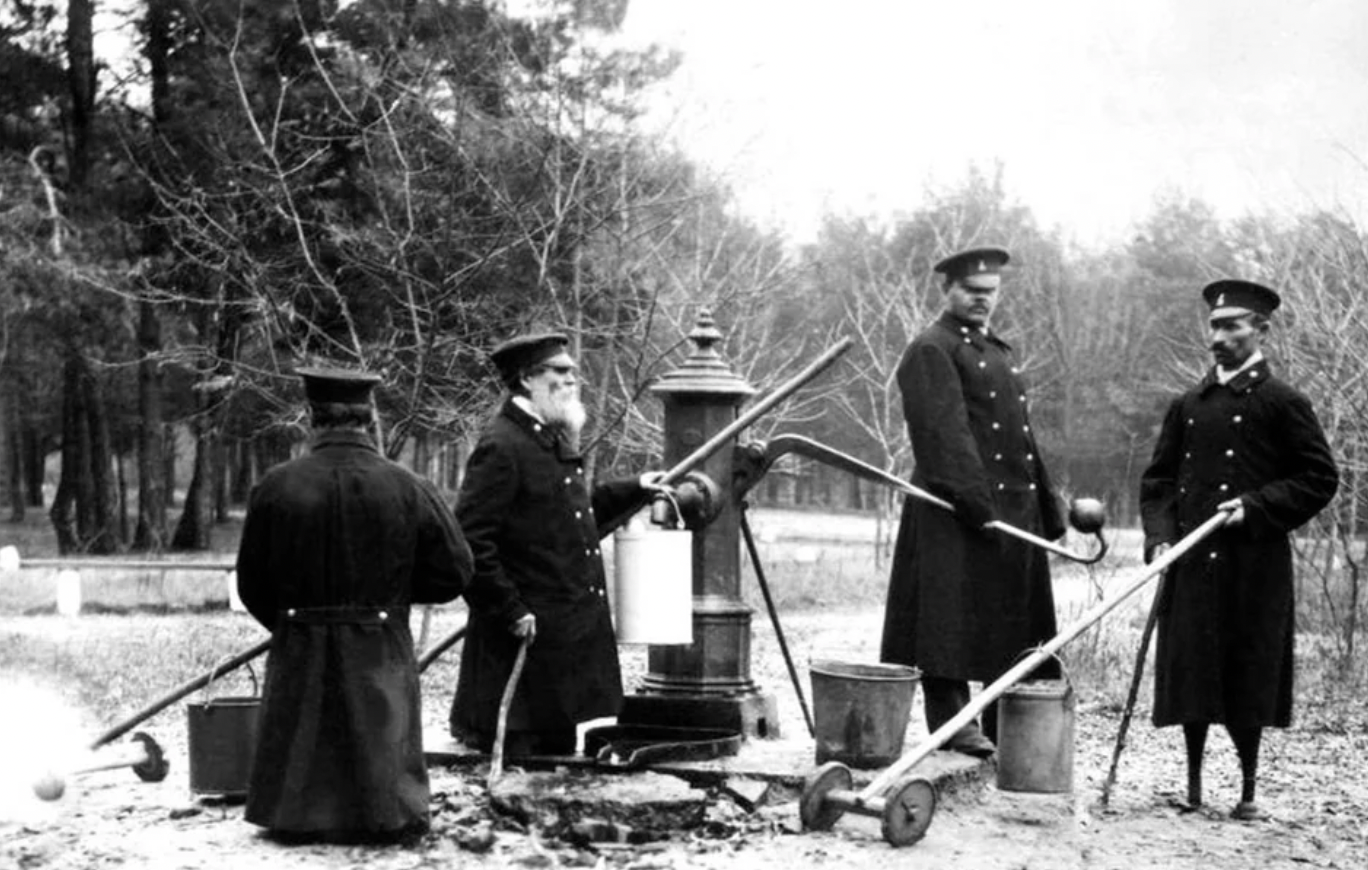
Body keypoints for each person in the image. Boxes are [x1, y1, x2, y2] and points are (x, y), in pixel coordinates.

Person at [236, 367, 473, 843]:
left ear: (311, 417)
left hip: (300, 644)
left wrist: (293, 623)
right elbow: (455, 571)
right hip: (380, 645)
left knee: (302, 750)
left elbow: (251, 583)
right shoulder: (407, 486)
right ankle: (383, 813)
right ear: (370, 418)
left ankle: (297, 814)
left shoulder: (276, 486)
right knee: (382, 755)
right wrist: (391, 601)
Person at [1140, 279, 1338, 820]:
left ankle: (1249, 789)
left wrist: (1255, 505)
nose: (1219, 337)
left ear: (1261, 330)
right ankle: (1196, 786)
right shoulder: (1188, 405)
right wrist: (1159, 537)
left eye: (1233, 326)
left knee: (1247, 671)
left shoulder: (1284, 403)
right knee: (1193, 672)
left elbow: (1319, 478)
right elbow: (1157, 481)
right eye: (1215, 327)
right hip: (1191, 565)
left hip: (1253, 567)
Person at [880, 246, 1066, 758]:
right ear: (948, 291)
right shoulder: (931, 349)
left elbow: (1022, 439)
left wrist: (1048, 508)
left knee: (1005, 621)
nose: (982, 301)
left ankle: (999, 724)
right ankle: (952, 723)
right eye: (971, 292)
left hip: (1005, 508)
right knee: (948, 618)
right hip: (952, 509)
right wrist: (976, 505)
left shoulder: (998, 352)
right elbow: (943, 437)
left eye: (990, 294)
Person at [449, 332, 660, 757]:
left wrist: (636, 486)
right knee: (522, 767)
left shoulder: (544, 438)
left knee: (556, 757)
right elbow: (470, 541)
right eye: (560, 372)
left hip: (555, 652)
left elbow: (566, 519)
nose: (572, 380)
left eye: (572, 372)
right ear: (528, 380)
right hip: (522, 649)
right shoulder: (503, 445)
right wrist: (511, 609)